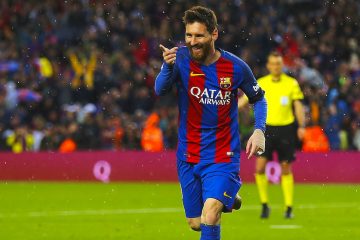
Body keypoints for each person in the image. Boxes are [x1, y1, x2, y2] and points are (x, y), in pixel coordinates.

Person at [155, 6, 267, 240]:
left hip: (221, 155)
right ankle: (229, 196)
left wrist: (259, 130)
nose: (192, 42)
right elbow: (160, 90)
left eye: (199, 36)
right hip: (188, 154)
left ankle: (220, 195)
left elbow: (259, 99)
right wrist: (167, 66)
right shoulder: (180, 59)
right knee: (196, 223)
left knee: (211, 213)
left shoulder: (235, 67)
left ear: (214, 34)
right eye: (188, 35)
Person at [238, 52, 305, 219]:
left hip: (286, 129)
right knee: (259, 168)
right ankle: (264, 205)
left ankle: (289, 207)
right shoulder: (261, 82)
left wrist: (302, 126)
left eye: (278, 64)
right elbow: (244, 100)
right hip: (265, 130)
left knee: (286, 168)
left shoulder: (291, 83)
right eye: (273, 64)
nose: (276, 67)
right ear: (268, 66)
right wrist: (227, 110)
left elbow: (297, 105)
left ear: (282, 65)